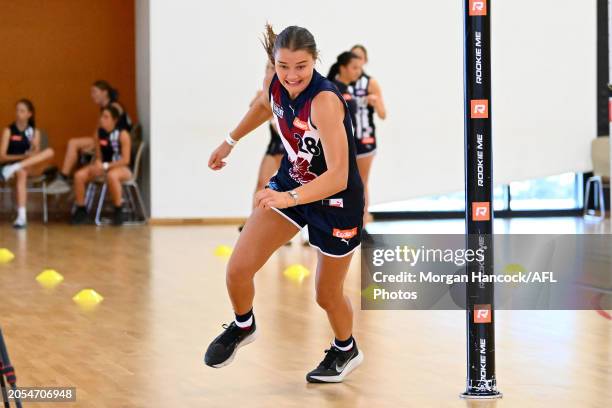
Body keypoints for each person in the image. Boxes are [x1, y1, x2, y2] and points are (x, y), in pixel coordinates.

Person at [204, 25, 365, 383]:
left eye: (301, 67)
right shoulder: (274, 84)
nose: (292, 76)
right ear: (273, 63)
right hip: (293, 184)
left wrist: (287, 197)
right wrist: (229, 141)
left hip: (336, 200)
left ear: (315, 61)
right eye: (283, 66)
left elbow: (339, 175)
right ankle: (244, 325)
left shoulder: (324, 100)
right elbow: (265, 106)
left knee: (326, 295)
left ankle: (345, 348)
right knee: (237, 270)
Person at [47, 80, 131, 194]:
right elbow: (97, 132)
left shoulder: (114, 107)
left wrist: (95, 144)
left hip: (114, 142)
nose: (92, 95)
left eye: (94, 92)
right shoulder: (103, 108)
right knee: (73, 143)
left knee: (75, 143)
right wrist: (93, 144)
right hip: (104, 140)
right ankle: (64, 176)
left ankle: (64, 176)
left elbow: (114, 128)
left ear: (105, 92)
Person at [70, 106, 131, 226]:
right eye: (101, 117)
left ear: (114, 120)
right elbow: (98, 156)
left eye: (106, 117)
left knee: (112, 176)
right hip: (104, 166)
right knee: (79, 175)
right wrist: (98, 163)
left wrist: (106, 166)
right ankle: (81, 209)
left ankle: (118, 209)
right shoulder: (99, 133)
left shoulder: (123, 134)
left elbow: (126, 160)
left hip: (121, 168)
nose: (102, 119)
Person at [0, 99, 55, 228]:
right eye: (17, 110)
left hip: (28, 165)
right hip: (11, 165)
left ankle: (17, 167)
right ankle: (22, 217)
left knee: (50, 151)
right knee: (22, 173)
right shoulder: (9, 130)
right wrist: (23, 156)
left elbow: (36, 154)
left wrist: (33, 150)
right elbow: (2, 156)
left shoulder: (35, 132)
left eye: (22, 111)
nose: (18, 113)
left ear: (29, 114)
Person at [350, 44, 387, 226]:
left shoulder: (370, 82)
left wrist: (375, 101)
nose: (357, 60)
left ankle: (362, 220)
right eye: (353, 56)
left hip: (365, 138)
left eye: (360, 57)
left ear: (365, 61)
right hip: (346, 139)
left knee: (362, 181)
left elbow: (383, 114)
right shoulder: (339, 81)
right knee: (344, 181)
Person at [327, 51, 363, 130]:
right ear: (342, 68)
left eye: (360, 68)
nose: (358, 72)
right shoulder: (332, 90)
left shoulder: (345, 89)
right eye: (355, 68)